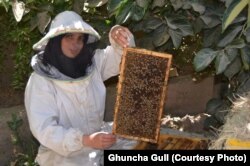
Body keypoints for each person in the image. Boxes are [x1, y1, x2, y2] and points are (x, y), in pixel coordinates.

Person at [24, 11, 137, 166]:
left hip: (98, 139)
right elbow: (44, 129)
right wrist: (85, 140)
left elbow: (122, 57)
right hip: (63, 154)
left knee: (137, 141)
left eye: (80, 39)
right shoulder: (40, 81)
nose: (75, 44)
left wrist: (118, 35)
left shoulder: (92, 64)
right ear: (56, 40)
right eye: (69, 37)